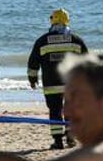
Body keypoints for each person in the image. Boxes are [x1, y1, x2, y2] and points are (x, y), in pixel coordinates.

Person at [27, 8, 88, 150]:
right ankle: (71, 136)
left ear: (52, 21)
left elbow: (33, 61)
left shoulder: (42, 41)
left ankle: (58, 141)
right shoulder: (76, 40)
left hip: (51, 84)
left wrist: (32, 77)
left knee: (54, 110)